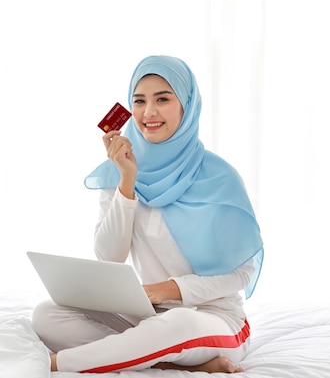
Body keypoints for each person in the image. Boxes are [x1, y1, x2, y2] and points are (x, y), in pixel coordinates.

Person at [31, 55, 264, 373]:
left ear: (186, 106)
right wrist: (126, 181)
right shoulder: (120, 170)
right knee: (47, 314)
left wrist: (165, 290)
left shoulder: (219, 178)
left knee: (177, 323)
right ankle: (171, 359)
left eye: (163, 99)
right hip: (147, 314)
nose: (148, 112)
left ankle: (55, 365)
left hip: (214, 319)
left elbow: (241, 274)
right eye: (139, 101)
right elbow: (109, 257)